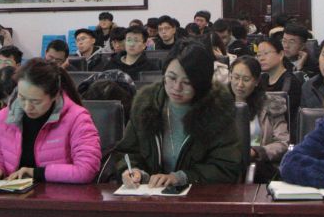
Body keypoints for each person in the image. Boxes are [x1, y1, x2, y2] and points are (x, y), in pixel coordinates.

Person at [113, 41, 243, 187]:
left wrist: (182, 178)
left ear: (201, 84)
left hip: (200, 194)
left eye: (186, 82)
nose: (176, 88)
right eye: (172, 78)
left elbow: (226, 168)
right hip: (151, 193)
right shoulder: (146, 104)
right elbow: (128, 152)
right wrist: (133, 171)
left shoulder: (218, 111)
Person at [0, 58, 102, 183]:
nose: (27, 107)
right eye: (22, 98)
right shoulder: (4, 116)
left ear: (55, 95)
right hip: (14, 192)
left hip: (59, 193)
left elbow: (86, 170)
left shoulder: (77, 118)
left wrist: (37, 173)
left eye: (36, 101)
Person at [230, 56, 289, 183]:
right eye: (236, 77)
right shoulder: (219, 105)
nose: (240, 84)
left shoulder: (271, 106)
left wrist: (257, 152)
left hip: (259, 167)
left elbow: (283, 143)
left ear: (256, 81)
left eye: (246, 79)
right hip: (228, 165)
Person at [256, 37, 302, 116]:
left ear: (281, 54)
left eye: (266, 53)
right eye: (259, 55)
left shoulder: (291, 83)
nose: (261, 58)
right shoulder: (261, 79)